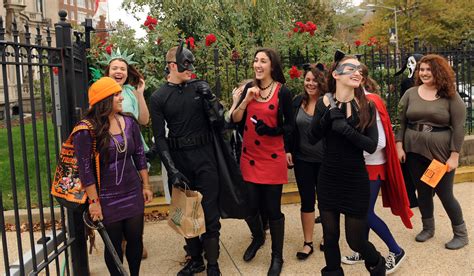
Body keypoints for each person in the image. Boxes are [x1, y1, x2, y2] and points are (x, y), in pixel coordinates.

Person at [149, 42, 223, 276]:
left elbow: (220, 122)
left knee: (210, 214)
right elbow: (160, 138)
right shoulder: (159, 97)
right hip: (180, 162)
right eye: (185, 63)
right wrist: (171, 170)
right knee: (185, 213)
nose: (190, 67)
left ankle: (212, 265)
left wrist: (210, 99)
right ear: (172, 65)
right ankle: (196, 260)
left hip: (205, 159)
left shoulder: (199, 88)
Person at [309, 51, 385, 275]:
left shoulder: (366, 105)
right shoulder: (324, 102)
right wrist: (325, 120)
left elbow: (372, 145)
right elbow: (313, 137)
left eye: (359, 69)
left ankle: (377, 264)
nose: (357, 71)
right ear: (336, 74)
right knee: (330, 237)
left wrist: (346, 130)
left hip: (355, 179)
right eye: (350, 68)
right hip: (329, 177)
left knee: (356, 241)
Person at [77, 77, 153, 276]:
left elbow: (139, 155)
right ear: (105, 99)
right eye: (117, 94)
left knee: (136, 239)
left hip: (132, 191)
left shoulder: (128, 121)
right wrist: (94, 202)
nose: (121, 98)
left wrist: (145, 185)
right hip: (106, 197)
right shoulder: (87, 130)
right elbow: (85, 171)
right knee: (114, 245)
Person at [342, 64, 413, 274]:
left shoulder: (371, 101)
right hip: (358, 167)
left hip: (372, 166)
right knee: (359, 210)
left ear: (362, 79)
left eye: (355, 74)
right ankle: (363, 248)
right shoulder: (346, 101)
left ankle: (396, 250)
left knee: (363, 213)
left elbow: (380, 141)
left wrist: (354, 154)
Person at [396, 54, 469, 250]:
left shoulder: (451, 96)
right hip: (413, 150)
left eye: (429, 69)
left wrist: (454, 156)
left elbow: (460, 128)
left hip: (440, 153)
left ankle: (461, 234)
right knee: (423, 192)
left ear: (439, 71)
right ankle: (428, 228)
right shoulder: (410, 93)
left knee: (445, 194)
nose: (424, 73)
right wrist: (399, 145)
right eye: (422, 69)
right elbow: (401, 121)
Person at [232, 48, 293, 276]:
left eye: (263, 61)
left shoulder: (282, 92)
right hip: (249, 157)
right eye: (255, 60)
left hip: (273, 156)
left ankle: (277, 257)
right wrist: (245, 100)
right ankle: (258, 237)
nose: (258, 65)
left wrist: (272, 130)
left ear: (272, 66)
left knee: (272, 209)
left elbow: (291, 127)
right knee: (248, 205)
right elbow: (235, 118)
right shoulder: (249, 88)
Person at [102, 48, 151, 259]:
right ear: (108, 71)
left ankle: (135, 238)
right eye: (115, 68)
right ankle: (120, 240)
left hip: (133, 150)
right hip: (112, 151)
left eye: (122, 68)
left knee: (138, 195)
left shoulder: (130, 92)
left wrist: (140, 94)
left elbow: (144, 120)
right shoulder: (101, 91)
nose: (119, 71)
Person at [287, 63, 326, 260]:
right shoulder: (297, 102)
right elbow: (289, 127)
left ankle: (328, 236)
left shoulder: (328, 102)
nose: (310, 84)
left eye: (314, 81)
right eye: (307, 80)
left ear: (322, 83)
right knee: (307, 201)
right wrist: (288, 149)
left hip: (326, 161)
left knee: (327, 201)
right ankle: (308, 242)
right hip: (303, 160)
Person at [394, 54, 424, 208]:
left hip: (425, 133)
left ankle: (423, 195)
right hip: (410, 129)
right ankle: (411, 198)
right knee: (407, 167)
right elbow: (404, 108)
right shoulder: (407, 83)